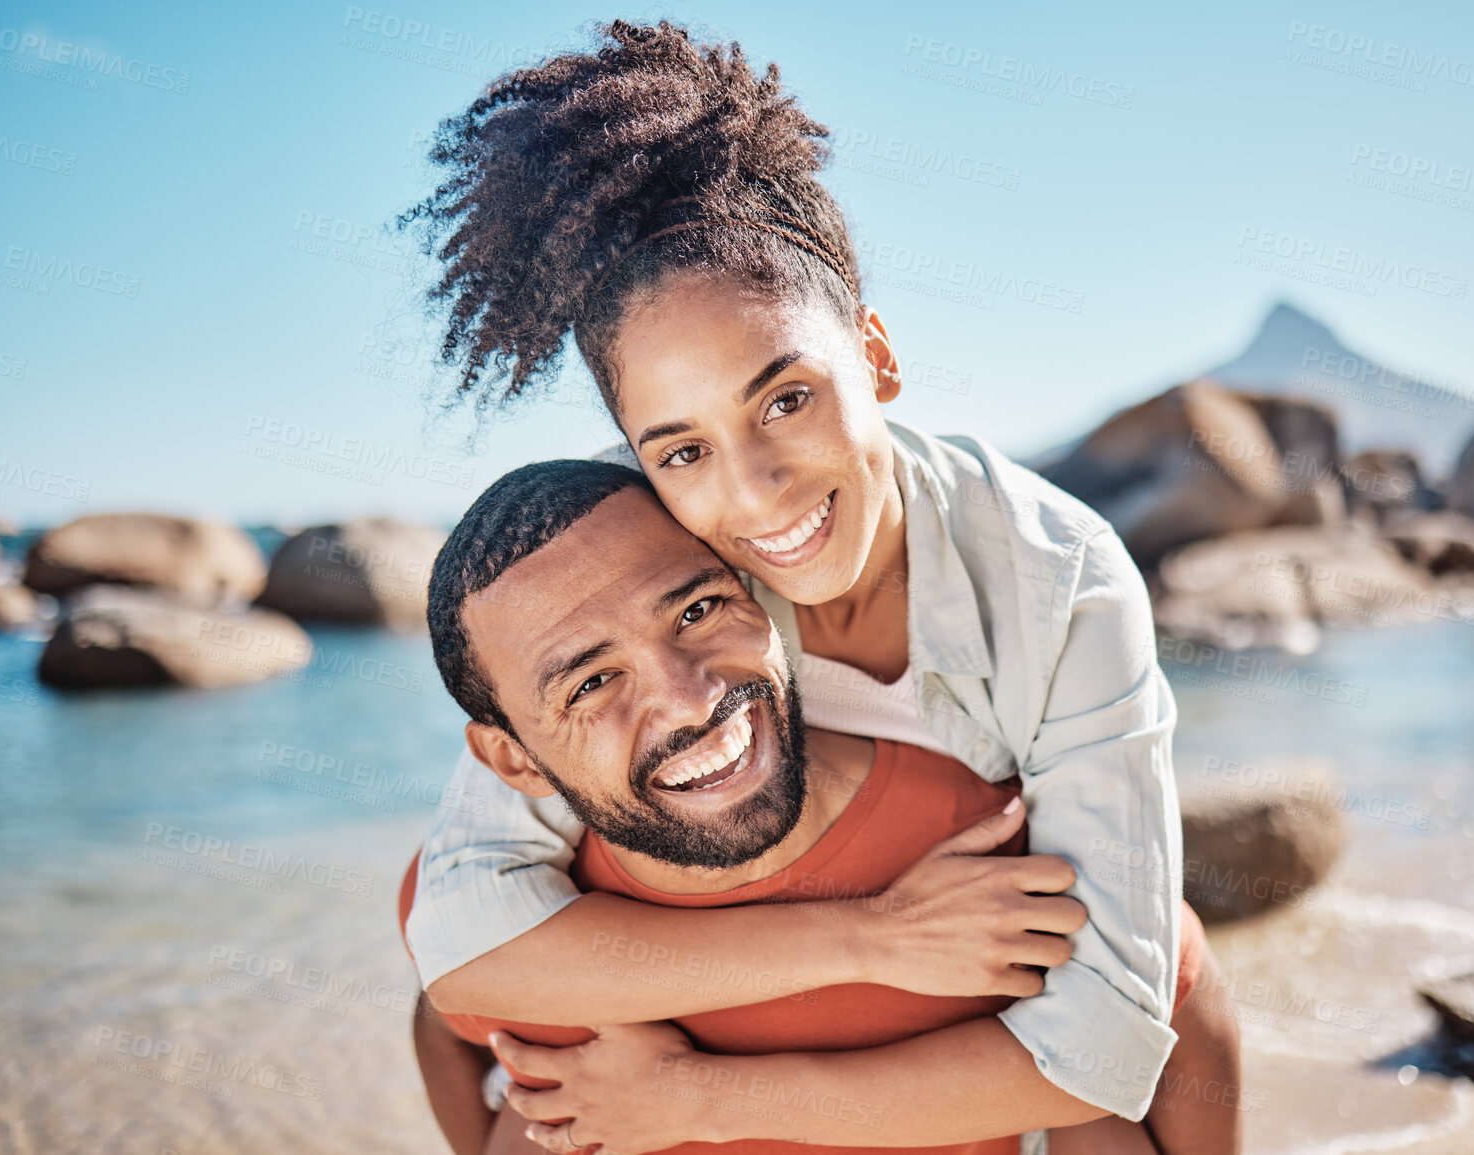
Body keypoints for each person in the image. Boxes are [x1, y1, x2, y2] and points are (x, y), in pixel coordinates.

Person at [401, 20, 1240, 1151]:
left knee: (1182, 965)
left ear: (876, 356)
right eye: (680, 448)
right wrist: (866, 940)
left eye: (786, 399)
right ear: (634, 451)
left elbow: (1107, 1040)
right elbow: (464, 930)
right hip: (779, 940)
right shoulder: (618, 542)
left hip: (974, 955)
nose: (751, 496)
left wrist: (695, 1102)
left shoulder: (1056, 577)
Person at [403, 459, 1227, 1155]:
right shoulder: (520, 931)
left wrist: (699, 1092)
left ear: (761, 596)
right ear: (513, 760)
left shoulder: (978, 838)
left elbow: (1171, 988)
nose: (687, 701)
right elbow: (448, 1027)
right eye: (590, 682)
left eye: (696, 611)